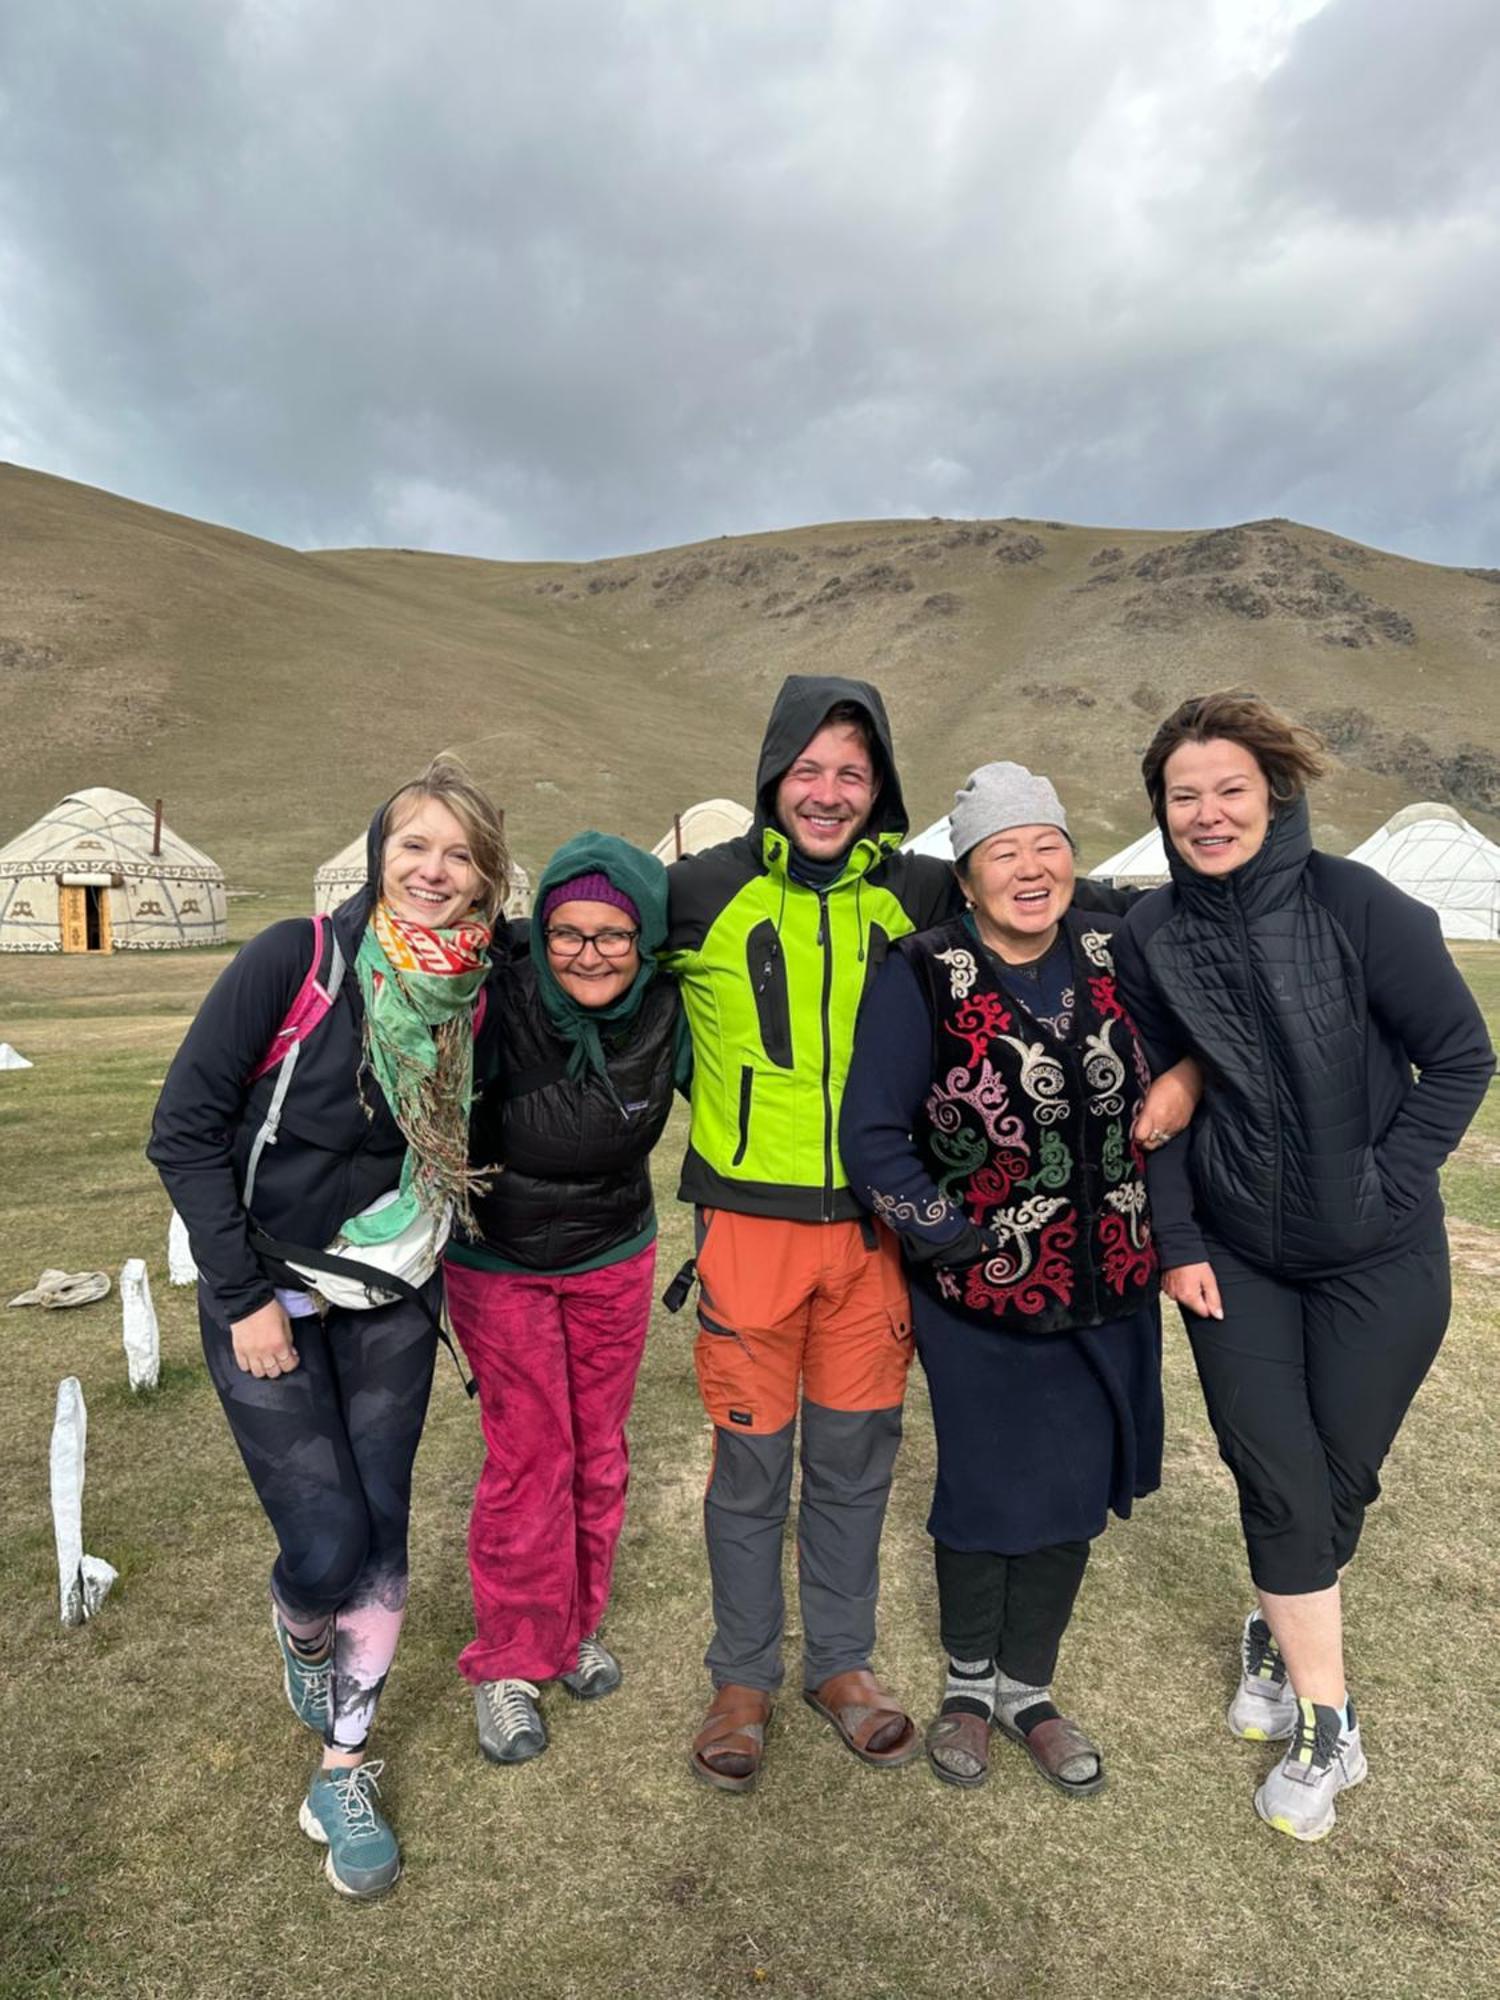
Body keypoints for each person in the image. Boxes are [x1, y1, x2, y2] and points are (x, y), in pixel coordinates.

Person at [661, 675, 1153, 1791]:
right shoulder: (697, 891)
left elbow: (1064, 896)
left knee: (852, 1464)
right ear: (773, 774)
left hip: (881, 1245)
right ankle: (742, 1676)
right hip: (750, 1228)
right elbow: (573, 939)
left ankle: (841, 1663)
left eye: (853, 772)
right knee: (749, 1471)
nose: (828, 793)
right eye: (809, 770)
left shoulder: (920, 888)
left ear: (879, 788)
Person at [1112, 691, 1494, 1842]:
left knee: (1339, 1479)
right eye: (1184, 795)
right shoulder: (1150, 934)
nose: (1206, 812)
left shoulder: (1362, 906)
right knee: (1274, 1471)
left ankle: (1275, 1634)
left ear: (1275, 791)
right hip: (1237, 1252)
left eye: (1229, 788)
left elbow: (1462, 1056)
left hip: (1380, 1253)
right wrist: (1176, 1242)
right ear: (1162, 810)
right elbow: (1156, 1108)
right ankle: (1331, 1719)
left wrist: (1390, 1179)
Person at [149, 758, 506, 1898]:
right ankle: (305, 1621)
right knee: (323, 1544)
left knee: (385, 1530)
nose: (432, 871)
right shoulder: (294, 959)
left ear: (486, 875)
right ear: (377, 854)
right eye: (415, 846)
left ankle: (341, 1765)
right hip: (270, 1288)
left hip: (394, 1292)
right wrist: (245, 1296)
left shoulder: (476, 991)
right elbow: (184, 1129)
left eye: (459, 853)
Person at [841, 761, 1189, 1795]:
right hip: (980, 1297)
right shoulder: (923, 969)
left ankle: (1028, 1688)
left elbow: (1191, 1048)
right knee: (989, 1490)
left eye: (1046, 845)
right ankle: (965, 1686)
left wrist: (1185, 1076)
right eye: (1005, 851)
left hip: (1111, 1278)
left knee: (1075, 1493)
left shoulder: (1114, 946)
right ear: (969, 870)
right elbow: (871, 1140)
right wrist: (956, 1242)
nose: (1031, 868)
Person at [443, 832, 688, 1765]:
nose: (589, 954)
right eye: (567, 934)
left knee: (597, 1451)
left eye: (612, 935)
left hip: (614, 1251)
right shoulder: (495, 998)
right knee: (527, 1456)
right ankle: (509, 1658)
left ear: (645, 940)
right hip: (499, 1256)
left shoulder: (669, 1009)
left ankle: (574, 1624)